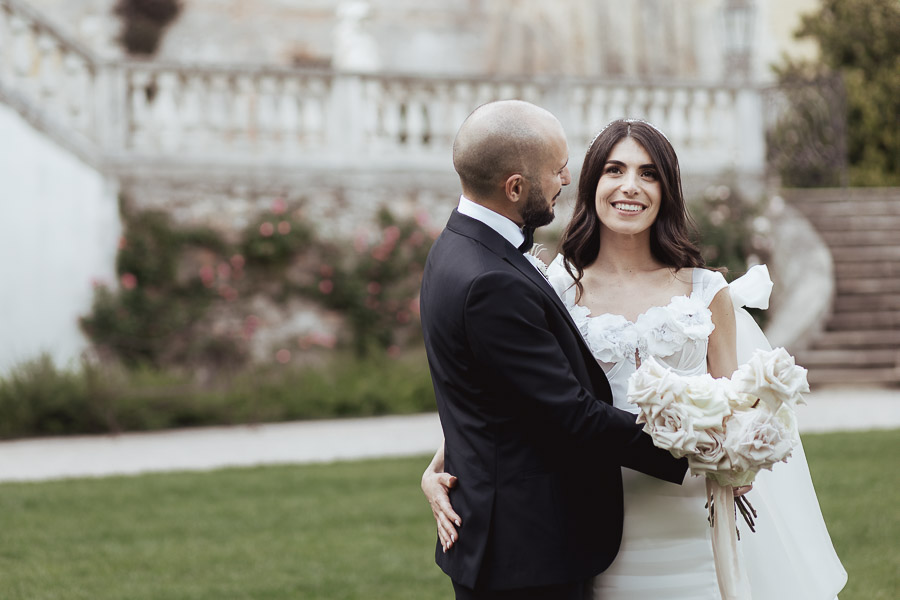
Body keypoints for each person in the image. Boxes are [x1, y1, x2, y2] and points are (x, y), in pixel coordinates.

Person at [423, 117, 847, 599]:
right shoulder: (554, 285)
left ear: (668, 189)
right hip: (587, 518)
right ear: (592, 184)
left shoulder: (707, 292)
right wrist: (442, 464)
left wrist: (739, 454)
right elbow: (517, 391)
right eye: (614, 170)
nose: (631, 186)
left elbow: (738, 406)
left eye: (649, 173)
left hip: (690, 515)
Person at [419, 102, 690, 599]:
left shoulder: (457, 245)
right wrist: (695, 447)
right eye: (557, 169)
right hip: (527, 555)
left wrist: (441, 461)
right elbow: (570, 412)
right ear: (515, 187)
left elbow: (490, 393)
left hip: (522, 537)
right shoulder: (491, 280)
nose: (567, 179)